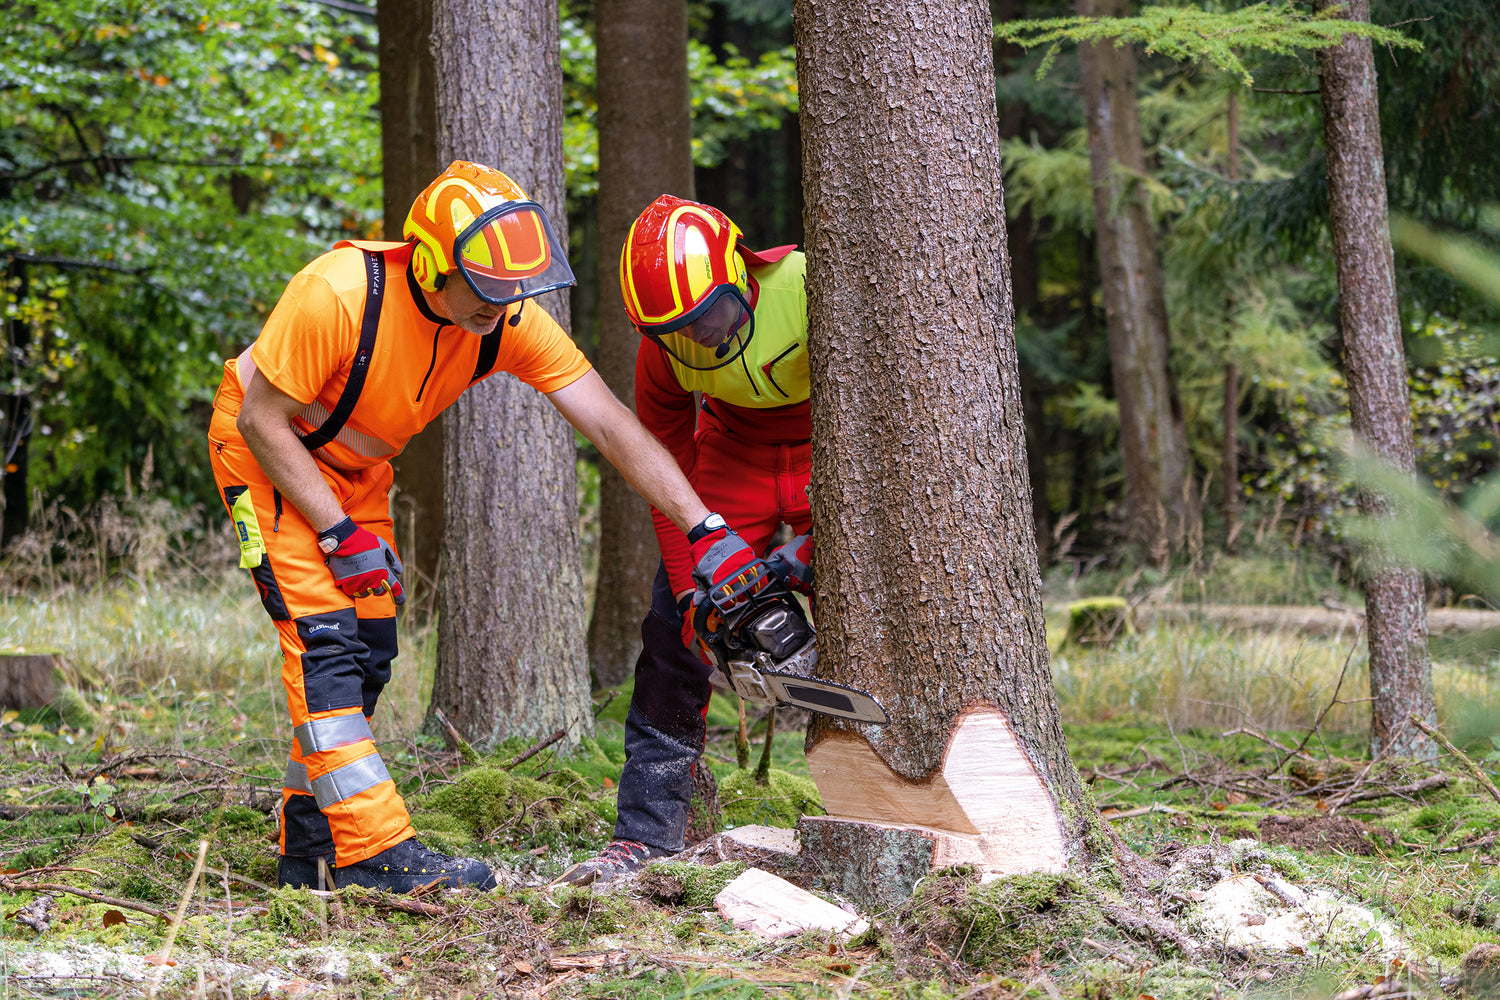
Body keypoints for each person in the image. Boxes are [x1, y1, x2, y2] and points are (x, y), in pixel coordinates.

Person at [208, 163, 774, 893]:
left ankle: (312, 844)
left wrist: (705, 528)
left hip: (357, 472)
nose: (504, 304)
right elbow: (262, 420)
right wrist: (337, 532)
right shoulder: (339, 295)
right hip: (267, 457)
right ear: (432, 266)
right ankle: (373, 851)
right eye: (485, 287)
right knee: (328, 643)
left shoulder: (504, 319)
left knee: (371, 646)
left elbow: (610, 424)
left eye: (515, 289)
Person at [556, 195, 815, 885]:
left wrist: (815, 551)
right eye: (679, 330)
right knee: (674, 635)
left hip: (831, 448)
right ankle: (645, 832)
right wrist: (690, 592)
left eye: (713, 315)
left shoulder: (804, 288)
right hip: (733, 452)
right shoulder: (661, 355)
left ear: (741, 273)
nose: (702, 337)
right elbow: (663, 461)